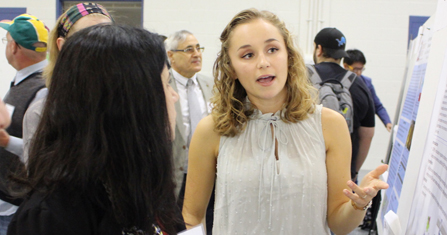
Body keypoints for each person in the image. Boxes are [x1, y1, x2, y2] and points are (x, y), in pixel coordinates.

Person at [182, 8, 388, 235]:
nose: (263, 62)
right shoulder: (212, 130)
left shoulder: (330, 125)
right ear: (231, 68)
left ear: (289, 56)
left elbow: (339, 225)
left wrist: (359, 203)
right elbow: (191, 217)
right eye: (247, 55)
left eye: (272, 49)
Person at [7, 24, 185, 235]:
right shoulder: (52, 218)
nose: (175, 96)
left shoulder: (143, 183)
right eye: (166, 84)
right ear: (129, 103)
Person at [22, 2, 113, 164]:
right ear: (63, 45)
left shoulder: (126, 100)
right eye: (90, 39)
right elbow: (39, 179)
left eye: (109, 38)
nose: (102, 48)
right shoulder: (43, 111)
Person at [0, 13, 48, 233]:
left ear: (14, 47)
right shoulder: (22, 80)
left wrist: (7, 141)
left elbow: (39, 152)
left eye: (6, 40)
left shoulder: (42, 91)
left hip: (15, 205)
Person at [164, 30, 214, 234]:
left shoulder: (210, 85)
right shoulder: (164, 85)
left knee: (206, 224)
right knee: (177, 225)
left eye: (198, 48)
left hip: (208, 173)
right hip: (175, 174)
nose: (196, 54)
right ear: (171, 56)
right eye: (188, 49)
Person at [312, 27, 376, 182]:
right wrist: (352, 172)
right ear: (342, 53)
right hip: (342, 178)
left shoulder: (300, 79)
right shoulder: (359, 84)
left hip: (308, 175)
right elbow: (367, 134)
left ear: (319, 49)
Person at [344, 49, 392, 132]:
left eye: (361, 69)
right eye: (355, 69)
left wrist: (387, 122)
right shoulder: (340, 82)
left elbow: (377, 106)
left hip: (361, 127)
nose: (359, 73)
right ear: (345, 66)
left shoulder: (366, 82)